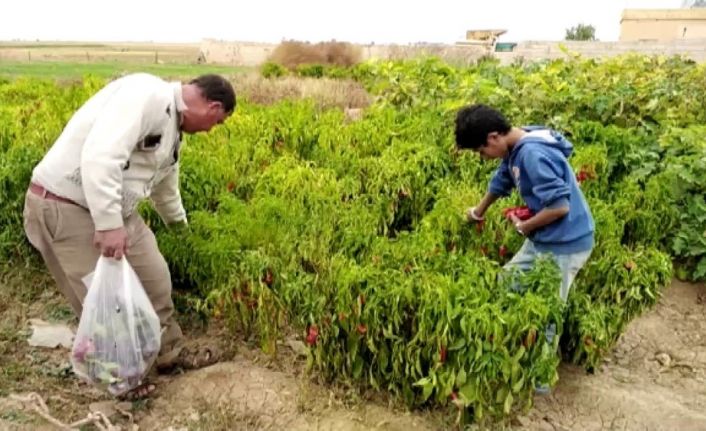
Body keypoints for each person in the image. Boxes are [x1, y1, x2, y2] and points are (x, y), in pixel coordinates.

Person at [23, 72, 236, 398]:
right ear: (212, 106)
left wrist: (182, 229)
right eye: (217, 122)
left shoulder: (172, 130)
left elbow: (166, 188)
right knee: (105, 298)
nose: (211, 129)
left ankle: (168, 351)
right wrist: (108, 225)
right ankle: (120, 379)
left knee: (155, 278)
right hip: (64, 205)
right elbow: (100, 156)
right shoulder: (148, 95)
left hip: (117, 210)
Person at [455, 104, 595, 392]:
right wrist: (479, 211)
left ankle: (540, 379)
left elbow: (559, 207)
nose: (483, 157)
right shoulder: (520, 140)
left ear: (493, 137)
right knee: (505, 284)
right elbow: (503, 179)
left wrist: (525, 226)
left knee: (547, 310)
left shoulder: (532, 154)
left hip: (567, 242)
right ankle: (507, 348)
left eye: (481, 151)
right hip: (547, 238)